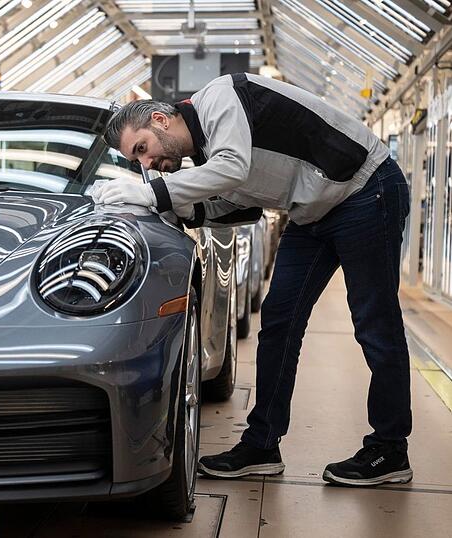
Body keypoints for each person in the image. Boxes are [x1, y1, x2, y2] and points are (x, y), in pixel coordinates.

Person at [95, 73, 412, 487]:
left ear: (159, 119)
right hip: (312, 212)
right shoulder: (210, 153)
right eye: (137, 163)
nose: (147, 164)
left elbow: (233, 168)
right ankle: (262, 445)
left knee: (375, 323)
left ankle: (389, 450)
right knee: (278, 322)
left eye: (143, 149)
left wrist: (153, 194)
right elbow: (240, 206)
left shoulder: (221, 98)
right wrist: (182, 212)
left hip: (366, 191)